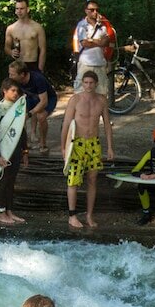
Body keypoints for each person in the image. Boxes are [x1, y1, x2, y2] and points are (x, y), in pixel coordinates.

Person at [61, 71, 114, 228]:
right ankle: (72, 215)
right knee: (73, 179)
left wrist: (110, 147)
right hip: (77, 143)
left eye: (91, 83)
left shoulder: (101, 100)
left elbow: (106, 125)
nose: (88, 86)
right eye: (86, 82)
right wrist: (63, 147)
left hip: (93, 144)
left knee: (92, 180)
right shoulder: (75, 100)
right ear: (82, 83)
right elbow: (66, 123)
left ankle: (89, 215)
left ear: (96, 84)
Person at [0, 78, 29, 225]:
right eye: (12, 90)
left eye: (17, 91)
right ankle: (0, 213)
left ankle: (9, 211)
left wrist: (25, 151)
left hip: (16, 149)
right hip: (4, 150)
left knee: (11, 182)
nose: (15, 93)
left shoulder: (17, 108)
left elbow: (22, 131)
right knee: (3, 181)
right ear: (4, 91)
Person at [8, 61, 56, 154]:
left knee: (41, 117)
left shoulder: (38, 79)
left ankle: (43, 144)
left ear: (22, 74)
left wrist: (29, 114)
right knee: (19, 115)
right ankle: (24, 143)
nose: (10, 76)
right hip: (31, 97)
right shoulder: (15, 81)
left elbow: (44, 101)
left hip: (48, 98)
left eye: (12, 74)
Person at [72, 0, 111, 94]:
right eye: (92, 10)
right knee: (81, 91)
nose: (95, 12)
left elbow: (106, 41)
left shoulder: (102, 26)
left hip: (100, 63)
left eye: (96, 10)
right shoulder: (82, 25)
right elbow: (85, 43)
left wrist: (92, 40)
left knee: (102, 91)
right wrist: (99, 42)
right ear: (86, 11)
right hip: (86, 63)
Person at [5, 0, 47, 74]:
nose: (19, 11)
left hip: (33, 64)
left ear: (27, 9)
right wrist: (11, 52)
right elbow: (6, 48)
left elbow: (43, 49)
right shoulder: (11, 28)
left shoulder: (37, 27)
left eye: (21, 8)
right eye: (17, 9)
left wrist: (40, 68)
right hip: (18, 65)